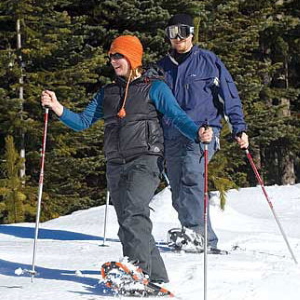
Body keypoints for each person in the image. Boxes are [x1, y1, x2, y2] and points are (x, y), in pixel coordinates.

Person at [40, 35, 210, 284]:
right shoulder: (107, 93)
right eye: (111, 56)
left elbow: (177, 116)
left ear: (132, 57)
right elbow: (82, 122)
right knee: (129, 221)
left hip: (146, 159)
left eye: (118, 55)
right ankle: (156, 276)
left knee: (133, 213)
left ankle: (136, 270)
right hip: (115, 164)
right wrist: (58, 108)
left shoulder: (155, 87)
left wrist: (197, 132)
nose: (114, 61)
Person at [158, 14, 249, 252]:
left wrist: (238, 127)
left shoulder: (208, 61)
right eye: (171, 33)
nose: (177, 38)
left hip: (204, 132)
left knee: (191, 177)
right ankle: (191, 234)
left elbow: (229, 96)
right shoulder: (163, 66)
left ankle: (202, 238)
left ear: (190, 33)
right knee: (178, 189)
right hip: (172, 133)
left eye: (182, 32)